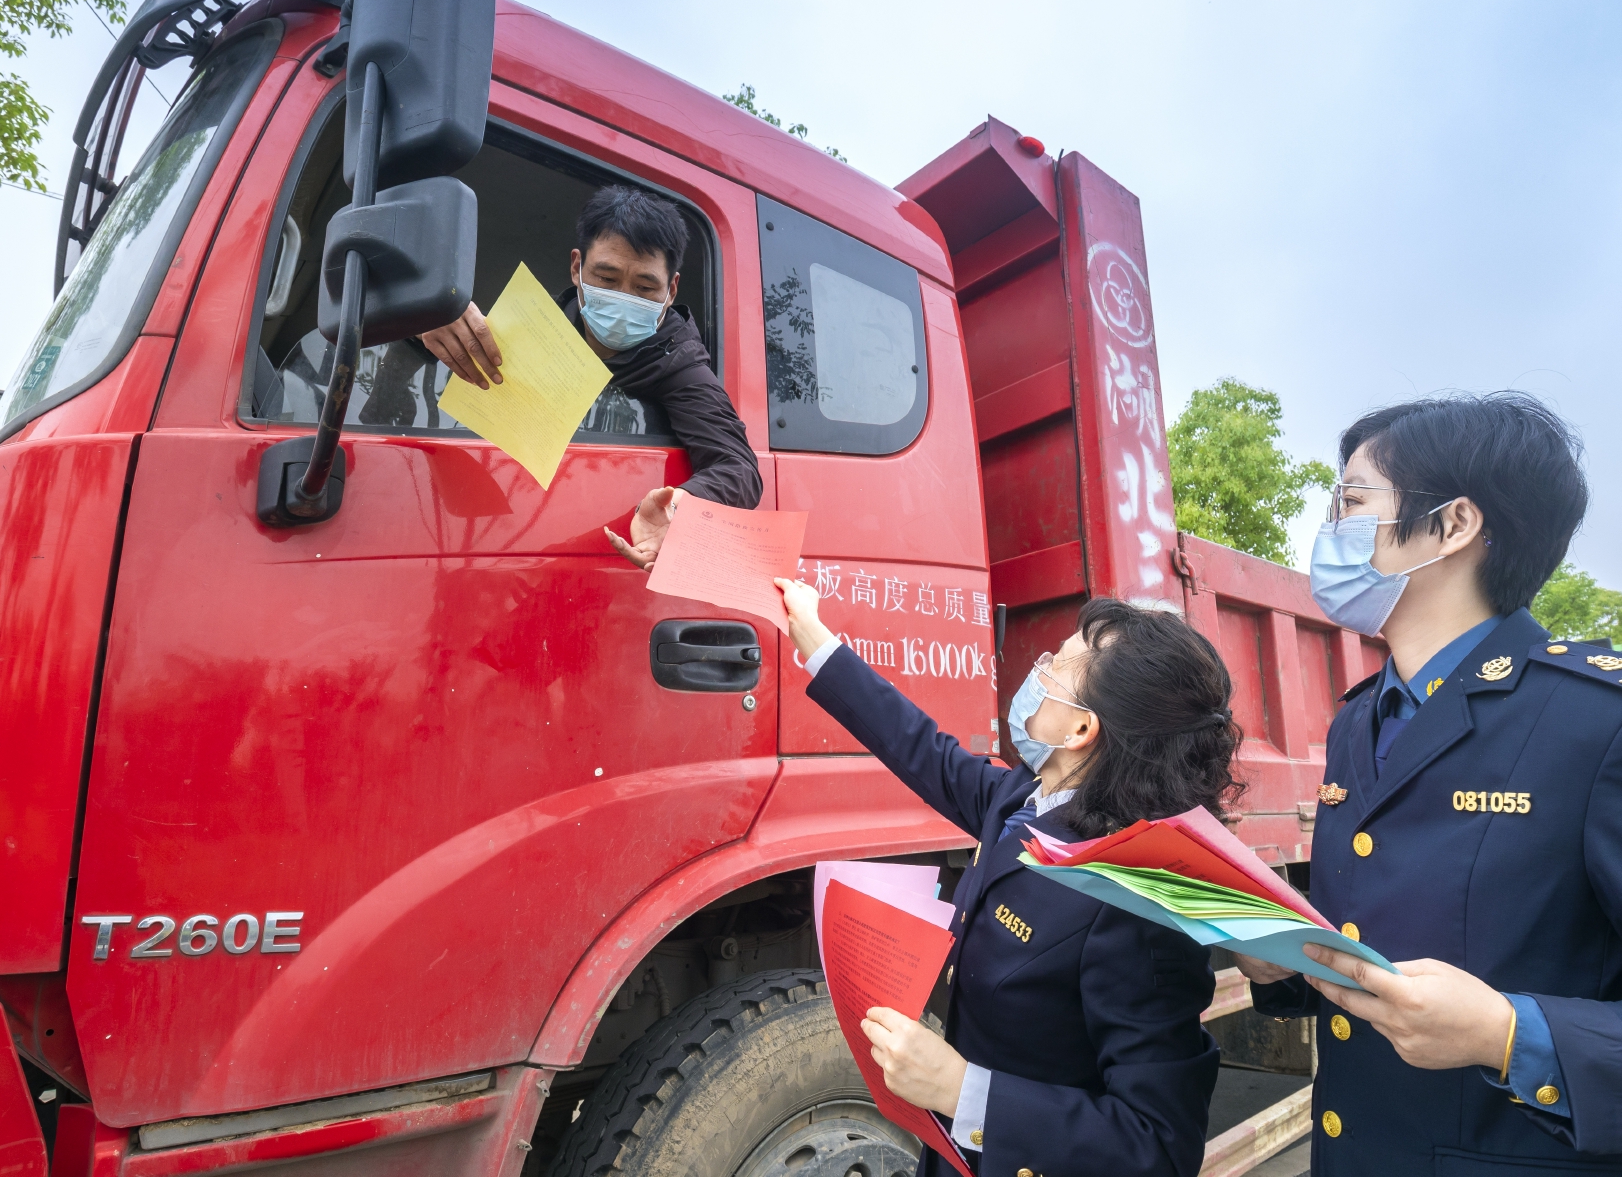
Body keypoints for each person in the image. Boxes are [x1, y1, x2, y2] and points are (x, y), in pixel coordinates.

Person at [1236, 393, 1622, 1174]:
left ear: (1454, 525)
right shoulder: (1362, 720)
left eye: (1352, 502)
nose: (1330, 531)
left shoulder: (1620, 723)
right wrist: (1287, 966)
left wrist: (1508, 1034)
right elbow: (1380, 958)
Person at [776, 578, 1234, 1177]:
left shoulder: (1135, 901)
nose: (1035, 676)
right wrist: (813, 637)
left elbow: (1157, 1146)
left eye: (1054, 669)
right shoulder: (1028, 797)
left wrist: (962, 1090)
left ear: (1080, 731)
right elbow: (919, 748)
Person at [420, 186, 761, 569]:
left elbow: (740, 470)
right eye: (607, 278)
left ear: (671, 290)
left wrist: (679, 507)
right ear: (576, 267)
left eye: (645, 288)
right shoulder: (521, 328)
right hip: (480, 539)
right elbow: (429, 352)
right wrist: (428, 315)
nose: (623, 298)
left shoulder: (681, 365)